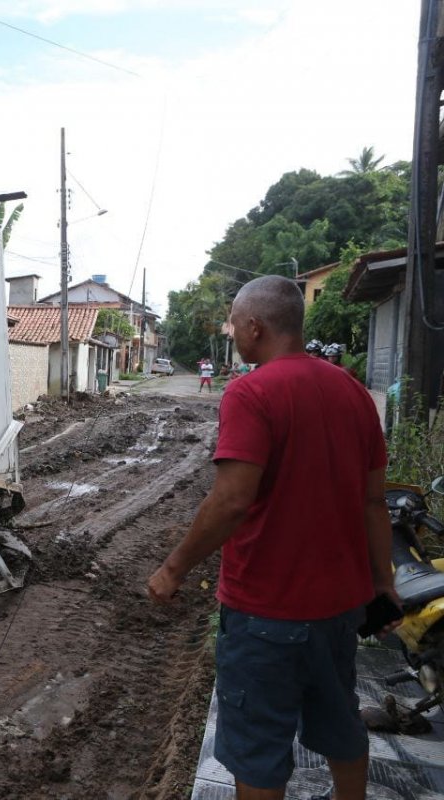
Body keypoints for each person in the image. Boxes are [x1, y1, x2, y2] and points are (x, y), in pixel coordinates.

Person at [146, 275, 395, 800]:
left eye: (234, 324)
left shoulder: (251, 392)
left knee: (259, 750)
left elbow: (232, 501)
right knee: (342, 724)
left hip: (266, 611)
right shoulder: (353, 392)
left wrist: (173, 568)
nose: (232, 332)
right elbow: (375, 502)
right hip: (340, 609)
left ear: (255, 327)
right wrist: (383, 583)